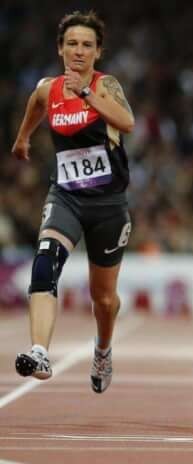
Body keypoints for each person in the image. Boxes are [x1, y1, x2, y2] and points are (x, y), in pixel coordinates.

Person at [11, 11, 134, 394]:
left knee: (104, 299)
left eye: (86, 45)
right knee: (44, 263)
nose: (79, 51)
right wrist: (23, 138)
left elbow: (127, 122)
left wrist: (85, 93)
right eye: (72, 44)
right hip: (66, 196)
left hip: (108, 205)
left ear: (98, 52)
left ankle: (102, 350)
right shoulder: (48, 89)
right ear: (60, 49)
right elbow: (35, 104)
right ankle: (39, 351)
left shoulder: (105, 85)